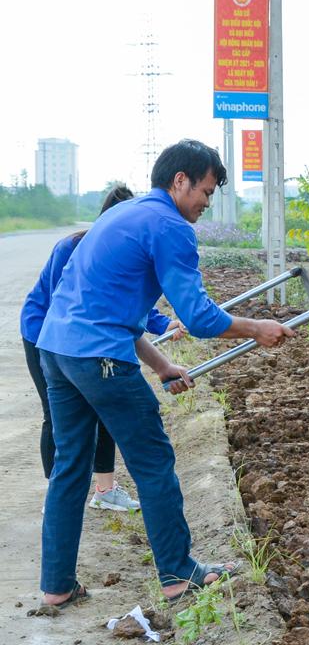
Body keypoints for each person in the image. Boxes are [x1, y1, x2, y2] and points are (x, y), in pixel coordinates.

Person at [34, 139, 294, 608]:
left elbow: (111, 310)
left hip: (57, 350)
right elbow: (197, 317)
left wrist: (162, 365)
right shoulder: (170, 226)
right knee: (153, 461)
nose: (206, 204)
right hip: (99, 358)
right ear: (180, 181)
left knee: (70, 466)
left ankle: (57, 585)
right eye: (207, 192)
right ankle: (178, 573)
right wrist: (256, 328)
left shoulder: (124, 214)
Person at [21, 183, 188, 512]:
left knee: (106, 407)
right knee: (56, 416)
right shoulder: (74, 248)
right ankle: (58, 494)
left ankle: (105, 490)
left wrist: (160, 324)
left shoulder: (127, 249)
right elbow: (64, 307)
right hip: (45, 335)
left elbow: (126, 300)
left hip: (88, 340)